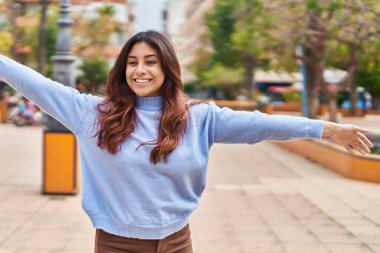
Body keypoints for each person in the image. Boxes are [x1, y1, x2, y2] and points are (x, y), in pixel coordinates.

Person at [0, 31, 373, 253]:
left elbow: (260, 125)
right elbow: (34, 82)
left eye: (150, 62)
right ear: (122, 68)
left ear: (167, 68)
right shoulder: (92, 113)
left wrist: (325, 129)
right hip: (117, 245)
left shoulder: (200, 117)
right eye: (132, 62)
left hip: (177, 242)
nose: (140, 70)